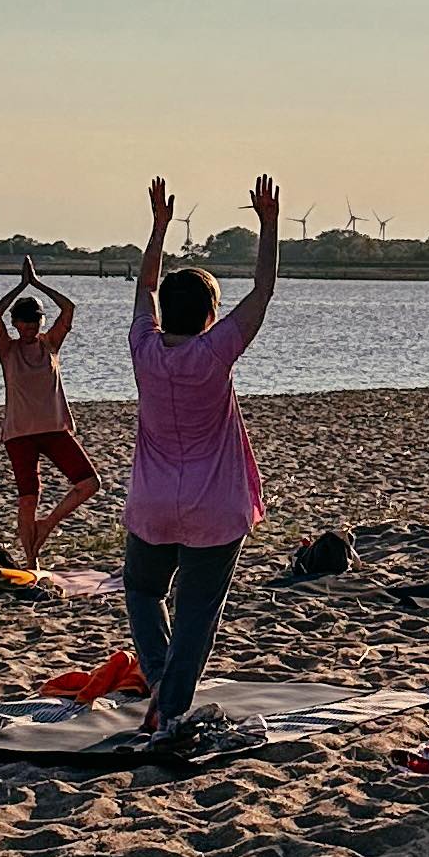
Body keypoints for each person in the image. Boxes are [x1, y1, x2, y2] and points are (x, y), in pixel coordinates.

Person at [123, 174, 279, 741]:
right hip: (214, 505)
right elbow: (263, 290)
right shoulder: (214, 352)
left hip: (154, 502)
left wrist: (159, 228)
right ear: (210, 317)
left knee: (142, 590)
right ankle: (170, 700)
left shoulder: (144, 348)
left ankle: (163, 681)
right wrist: (268, 224)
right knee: (196, 612)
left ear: (166, 312)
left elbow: (144, 287)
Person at [0, 254, 99, 563]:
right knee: (28, 499)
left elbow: (68, 308)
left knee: (90, 483)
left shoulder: (50, 344)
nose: (28, 326)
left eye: (34, 320)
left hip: (55, 429)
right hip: (19, 434)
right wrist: (20, 285)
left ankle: (46, 526)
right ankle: (31, 559)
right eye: (23, 321)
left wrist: (38, 283)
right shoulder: (8, 350)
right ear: (16, 323)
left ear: (41, 322)